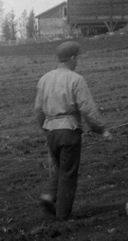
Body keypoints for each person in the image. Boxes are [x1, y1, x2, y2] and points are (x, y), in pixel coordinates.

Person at [34, 40, 111, 220]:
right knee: (69, 173)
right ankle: (62, 217)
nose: (77, 62)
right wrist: (101, 130)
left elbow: (38, 109)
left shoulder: (44, 79)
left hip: (51, 131)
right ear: (72, 58)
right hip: (69, 132)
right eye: (77, 58)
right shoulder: (76, 79)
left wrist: (45, 128)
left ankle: (48, 196)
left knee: (61, 167)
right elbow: (87, 109)